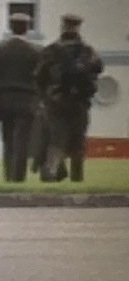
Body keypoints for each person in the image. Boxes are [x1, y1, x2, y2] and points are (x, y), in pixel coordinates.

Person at [35, 14, 103, 182]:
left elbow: (39, 76)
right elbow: (98, 69)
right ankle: (77, 177)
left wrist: (44, 98)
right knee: (78, 139)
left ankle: (51, 172)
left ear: (62, 28)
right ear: (78, 29)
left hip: (56, 101)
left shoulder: (50, 51)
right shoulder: (88, 52)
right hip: (80, 101)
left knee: (56, 138)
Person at [0, 12, 41, 181]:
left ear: (11, 27)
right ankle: (18, 176)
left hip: (4, 99)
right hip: (27, 100)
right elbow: (42, 77)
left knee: (8, 139)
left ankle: (8, 175)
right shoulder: (36, 51)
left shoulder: (0, 49)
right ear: (27, 29)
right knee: (23, 140)